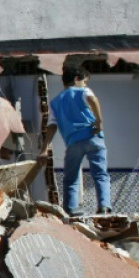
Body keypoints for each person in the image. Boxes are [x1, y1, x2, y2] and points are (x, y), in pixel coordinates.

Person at [38, 66, 112, 216]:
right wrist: (99, 121)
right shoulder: (83, 91)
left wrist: (44, 149)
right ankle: (104, 207)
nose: (85, 84)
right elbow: (93, 99)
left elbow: (51, 126)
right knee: (100, 174)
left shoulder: (55, 102)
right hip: (93, 137)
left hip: (73, 143)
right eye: (85, 81)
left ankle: (71, 209)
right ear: (77, 79)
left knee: (70, 178)